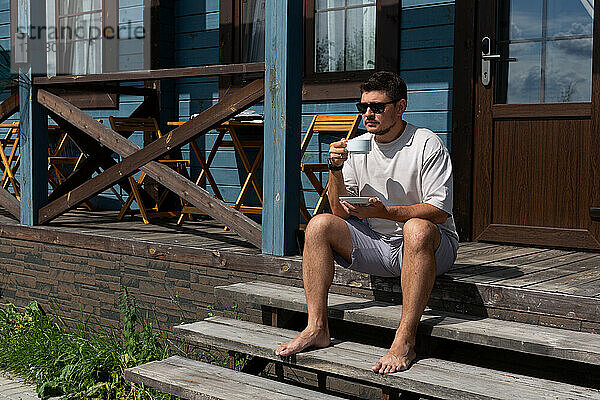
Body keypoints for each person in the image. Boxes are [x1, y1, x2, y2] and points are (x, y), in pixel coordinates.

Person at [275, 71, 459, 374]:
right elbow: (339, 210)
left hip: (430, 247)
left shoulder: (426, 144)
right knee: (319, 224)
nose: (367, 114)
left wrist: (385, 213)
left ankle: (404, 340)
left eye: (377, 107)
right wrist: (335, 169)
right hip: (377, 244)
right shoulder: (359, 146)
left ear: (400, 108)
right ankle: (317, 327)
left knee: (416, 227)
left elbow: (439, 212)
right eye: (363, 107)